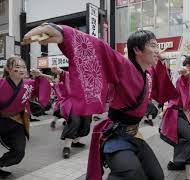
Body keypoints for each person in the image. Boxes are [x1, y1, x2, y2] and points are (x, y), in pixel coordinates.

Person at [24, 23, 178, 180]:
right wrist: (61, 33)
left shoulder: (148, 74)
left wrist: (162, 62)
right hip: (116, 135)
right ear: (137, 50)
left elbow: (161, 87)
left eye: (157, 46)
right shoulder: (124, 66)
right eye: (153, 46)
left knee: (157, 176)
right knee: (130, 173)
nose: (157, 50)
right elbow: (99, 49)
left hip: (135, 135)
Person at [0, 56, 51, 178]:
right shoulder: (1, 84)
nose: (22, 69)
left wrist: (39, 77)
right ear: (8, 68)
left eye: (24, 67)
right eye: (17, 67)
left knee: (19, 152)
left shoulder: (28, 84)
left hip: (16, 120)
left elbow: (41, 88)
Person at [160, 56, 190, 179]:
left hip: (184, 114)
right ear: (188, 66)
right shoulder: (181, 78)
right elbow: (182, 82)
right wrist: (184, 76)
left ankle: (175, 163)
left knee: (186, 139)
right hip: (174, 115)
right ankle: (189, 172)